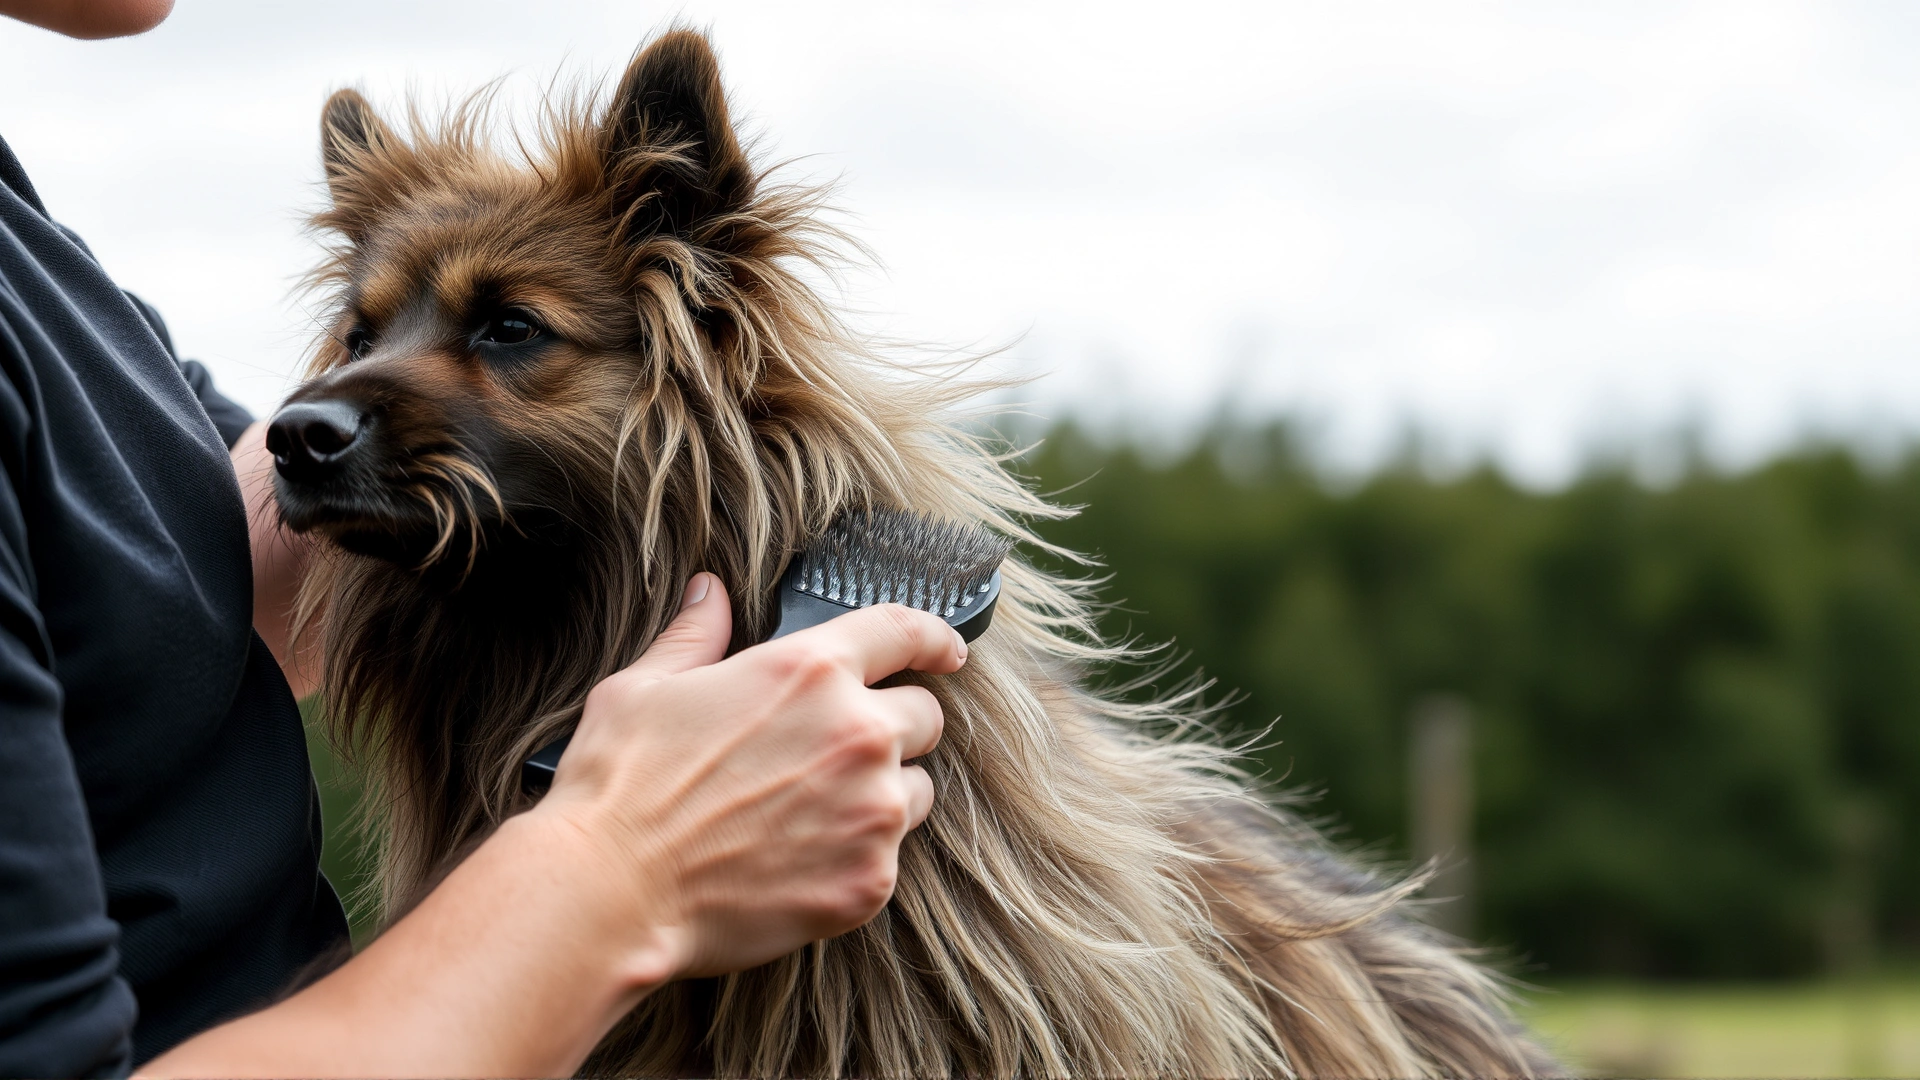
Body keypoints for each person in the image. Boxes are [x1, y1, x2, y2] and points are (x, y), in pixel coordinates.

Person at [0, 2, 961, 1076]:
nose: (306, 405)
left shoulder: (35, 259)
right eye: (362, 334)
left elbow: (177, 550)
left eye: (510, 329)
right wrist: (622, 862)